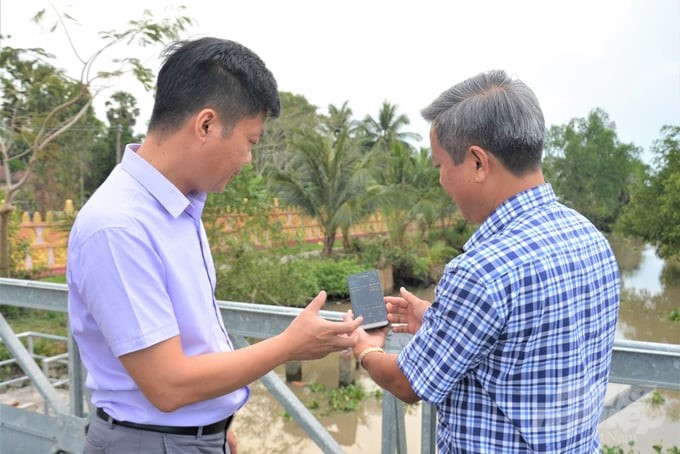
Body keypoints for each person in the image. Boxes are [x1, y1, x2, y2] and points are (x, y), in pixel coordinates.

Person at [67, 37, 362, 454]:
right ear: (206, 125)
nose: (248, 160)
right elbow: (168, 386)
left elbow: (193, 337)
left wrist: (215, 422)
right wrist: (288, 346)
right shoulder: (118, 225)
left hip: (187, 438)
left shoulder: (178, 208)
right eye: (250, 141)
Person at [348, 69, 621, 453]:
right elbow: (529, 346)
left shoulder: (481, 269)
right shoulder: (589, 238)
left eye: (440, 165)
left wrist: (365, 347)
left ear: (477, 162)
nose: (441, 180)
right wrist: (439, 318)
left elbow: (408, 382)